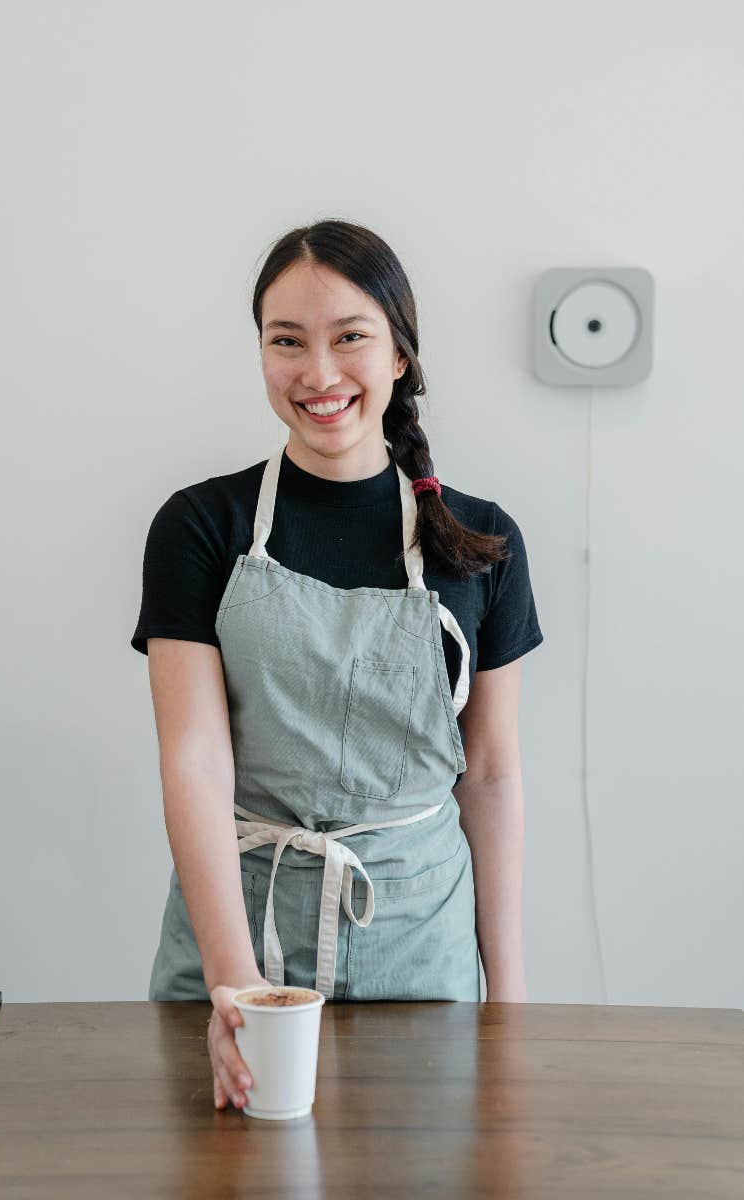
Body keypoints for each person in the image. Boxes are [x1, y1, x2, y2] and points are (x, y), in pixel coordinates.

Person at [131, 219, 544, 1111]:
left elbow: (494, 776)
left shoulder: (482, 542)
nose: (317, 375)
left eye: (349, 337)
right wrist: (234, 986)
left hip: (418, 948)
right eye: (287, 343)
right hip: (239, 935)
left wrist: (508, 1008)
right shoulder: (201, 527)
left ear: (399, 353)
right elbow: (194, 761)